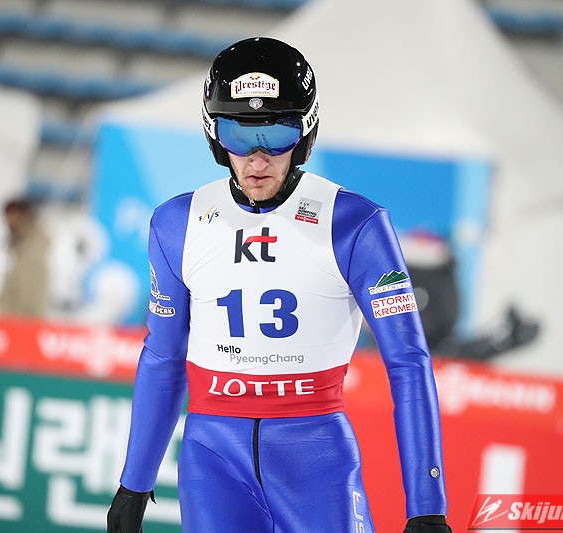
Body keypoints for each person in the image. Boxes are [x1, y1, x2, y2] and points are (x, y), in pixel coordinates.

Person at [107, 37, 452, 533]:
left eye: (276, 134)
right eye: (238, 134)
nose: (257, 159)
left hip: (316, 459)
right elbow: (163, 357)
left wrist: (427, 506)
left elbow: (408, 361)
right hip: (213, 462)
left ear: (305, 132)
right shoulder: (176, 223)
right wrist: (134, 484)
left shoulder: (355, 224)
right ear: (214, 134)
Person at [0, 197, 50, 318]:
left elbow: (30, 297)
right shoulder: (16, 248)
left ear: (25, 217)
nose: (10, 224)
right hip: (11, 320)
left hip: (22, 322)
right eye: (7, 219)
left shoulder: (34, 250)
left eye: (14, 219)